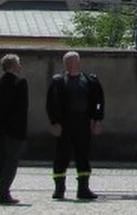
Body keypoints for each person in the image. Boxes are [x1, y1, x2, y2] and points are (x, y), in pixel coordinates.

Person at [46, 51, 104, 200]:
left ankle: (83, 189)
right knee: (61, 156)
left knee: (83, 155)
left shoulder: (90, 81)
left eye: (73, 61)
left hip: (83, 122)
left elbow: (99, 102)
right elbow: (51, 104)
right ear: (64, 64)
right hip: (64, 123)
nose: (71, 64)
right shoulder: (58, 81)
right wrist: (54, 122)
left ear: (79, 62)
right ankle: (59, 189)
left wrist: (97, 120)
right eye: (68, 62)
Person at [0, 53, 29, 205]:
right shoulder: (20, 83)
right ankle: (2, 192)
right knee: (11, 161)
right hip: (14, 129)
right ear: (14, 66)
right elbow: (22, 109)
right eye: (19, 63)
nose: (20, 66)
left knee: (1, 160)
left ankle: (2, 190)